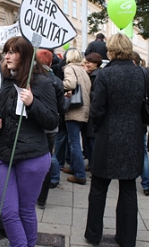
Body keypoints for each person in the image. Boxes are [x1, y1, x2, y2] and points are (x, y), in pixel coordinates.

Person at [0, 36, 58, 247]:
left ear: (25, 56)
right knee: (7, 212)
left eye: (12, 52)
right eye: (6, 51)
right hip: (5, 155)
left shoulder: (43, 83)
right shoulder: (4, 81)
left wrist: (32, 103)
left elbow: (52, 121)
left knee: (25, 210)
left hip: (33, 157)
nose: (7, 56)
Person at [84, 33, 145, 247]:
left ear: (111, 50)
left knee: (99, 188)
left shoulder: (105, 75)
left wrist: (97, 128)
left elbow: (97, 109)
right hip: (133, 134)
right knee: (128, 189)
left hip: (108, 136)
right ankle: (127, 238)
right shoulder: (142, 73)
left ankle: (93, 234)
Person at [35, 48, 69, 209]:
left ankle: (31, 194)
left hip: (34, 125)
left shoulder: (30, 78)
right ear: (49, 62)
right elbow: (62, 107)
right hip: (50, 128)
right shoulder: (56, 81)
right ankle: (41, 198)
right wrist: (67, 100)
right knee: (46, 160)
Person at [62, 48, 91, 185]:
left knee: (74, 143)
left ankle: (79, 174)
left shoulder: (69, 68)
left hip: (74, 109)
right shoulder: (82, 70)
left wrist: (58, 85)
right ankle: (74, 168)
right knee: (75, 142)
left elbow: (70, 84)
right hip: (84, 109)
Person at [132, 51, 149, 197]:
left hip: (131, 117)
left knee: (138, 150)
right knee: (143, 151)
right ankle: (146, 184)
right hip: (142, 117)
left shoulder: (132, 74)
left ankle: (131, 177)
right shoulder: (146, 73)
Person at [82, 52, 102, 170]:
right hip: (88, 112)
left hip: (92, 113)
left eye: (89, 62)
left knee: (92, 142)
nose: (87, 64)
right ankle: (91, 163)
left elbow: (97, 95)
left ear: (96, 63)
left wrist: (87, 94)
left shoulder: (97, 76)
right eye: (86, 62)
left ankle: (94, 165)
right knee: (87, 140)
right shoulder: (90, 74)